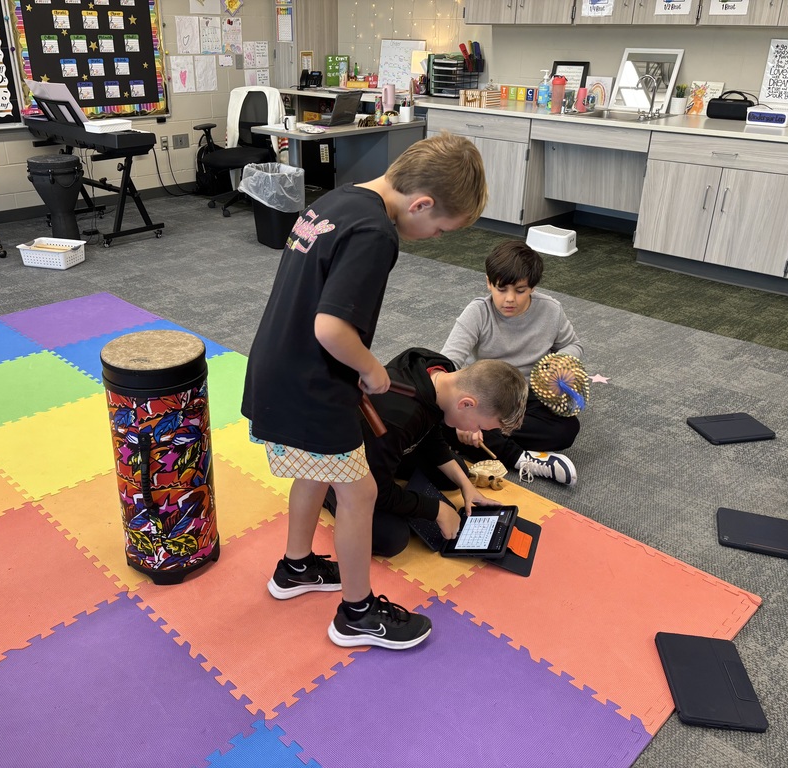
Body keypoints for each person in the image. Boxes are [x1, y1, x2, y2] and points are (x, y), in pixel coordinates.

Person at [241, 133, 488, 651]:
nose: (434, 236)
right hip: (312, 385)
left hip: (279, 369)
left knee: (315, 472)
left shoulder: (339, 200)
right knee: (362, 493)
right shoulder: (377, 233)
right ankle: (357, 614)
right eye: (440, 228)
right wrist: (373, 370)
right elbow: (331, 327)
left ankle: (296, 567)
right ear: (421, 204)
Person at [323, 348, 528, 558]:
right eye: (480, 426)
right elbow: (379, 491)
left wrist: (467, 486)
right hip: (338, 461)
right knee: (392, 537)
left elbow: (430, 433)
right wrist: (437, 510)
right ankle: (326, 495)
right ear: (466, 403)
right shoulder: (398, 419)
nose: (476, 432)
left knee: (456, 474)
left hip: (382, 445)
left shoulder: (440, 371)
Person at [441, 239, 583, 487]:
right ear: (489, 282)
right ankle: (521, 459)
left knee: (567, 429)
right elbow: (447, 362)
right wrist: (462, 416)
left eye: (520, 290)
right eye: (501, 289)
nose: (509, 299)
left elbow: (573, 345)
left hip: (528, 396)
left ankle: (485, 443)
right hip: (485, 398)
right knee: (446, 422)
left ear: (532, 287)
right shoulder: (478, 312)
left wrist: (560, 361)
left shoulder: (551, 310)